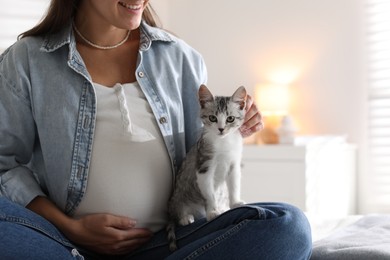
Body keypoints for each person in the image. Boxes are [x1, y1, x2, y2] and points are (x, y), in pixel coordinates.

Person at [0, 0, 312, 259]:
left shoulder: (180, 58)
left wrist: (228, 135)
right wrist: (73, 228)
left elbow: (198, 167)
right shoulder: (27, 60)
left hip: (170, 242)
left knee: (288, 226)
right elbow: (6, 167)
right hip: (65, 245)